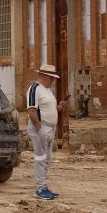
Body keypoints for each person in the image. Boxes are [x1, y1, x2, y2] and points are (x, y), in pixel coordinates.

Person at [26, 64, 68, 201]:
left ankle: (44, 186)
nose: (53, 81)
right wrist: (38, 127)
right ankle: (40, 189)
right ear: (44, 76)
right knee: (40, 159)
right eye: (51, 78)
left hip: (49, 128)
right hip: (41, 128)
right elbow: (31, 110)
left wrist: (59, 107)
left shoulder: (47, 90)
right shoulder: (35, 88)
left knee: (47, 159)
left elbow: (49, 109)